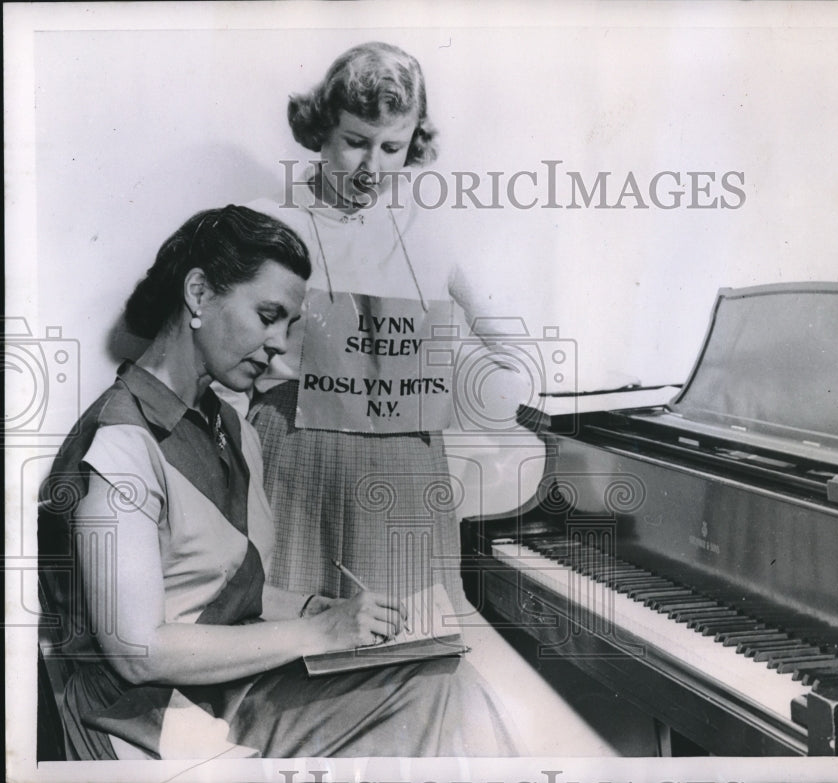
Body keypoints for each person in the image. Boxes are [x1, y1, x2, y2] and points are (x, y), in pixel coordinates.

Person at [37, 205, 518, 760]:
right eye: (267, 315)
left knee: (440, 674)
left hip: (222, 690)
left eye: (289, 324)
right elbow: (136, 650)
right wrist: (318, 635)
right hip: (146, 719)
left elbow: (222, 587)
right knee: (439, 700)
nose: (279, 344)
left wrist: (315, 607)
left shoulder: (227, 425)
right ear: (197, 294)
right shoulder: (118, 441)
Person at [247, 42, 522, 610]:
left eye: (392, 147)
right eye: (355, 143)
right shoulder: (273, 225)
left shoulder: (432, 235)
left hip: (405, 472)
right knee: (292, 642)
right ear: (321, 131)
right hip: (299, 461)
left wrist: (466, 395)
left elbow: (512, 352)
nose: (373, 168)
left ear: (413, 141)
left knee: (408, 644)